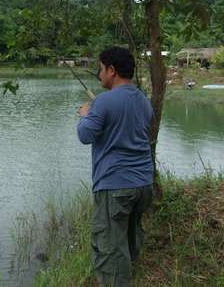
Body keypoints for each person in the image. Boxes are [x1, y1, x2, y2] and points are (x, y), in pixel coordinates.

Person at [77, 46, 155, 286]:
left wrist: (84, 114)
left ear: (112, 70)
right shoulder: (143, 101)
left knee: (109, 248)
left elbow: (85, 135)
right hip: (143, 184)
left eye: (101, 69)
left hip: (115, 186)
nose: (99, 74)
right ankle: (127, 274)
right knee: (129, 237)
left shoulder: (103, 101)